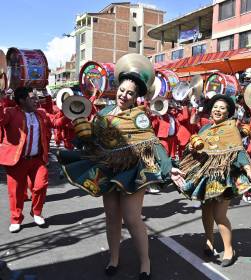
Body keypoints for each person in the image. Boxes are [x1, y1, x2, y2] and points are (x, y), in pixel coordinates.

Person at [58, 54, 183, 280]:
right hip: (109, 169)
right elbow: (93, 142)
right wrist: (81, 133)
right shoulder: (104, 114)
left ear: (136, 97)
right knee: (111, 217)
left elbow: (152, 143)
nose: (124, 95)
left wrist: (169, 167)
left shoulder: (139, 117)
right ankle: (113, 258)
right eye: (122, 90)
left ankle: (145, 262)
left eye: (130, 93)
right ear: (117, 89)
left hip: (133, 171)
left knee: (132, 218)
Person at [177, 94, 251, 267]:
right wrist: (191, 148)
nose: (217, 110)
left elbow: (238, 151)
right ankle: (209, 241)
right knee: (206, 211)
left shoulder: (231, 128)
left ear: (228, 113)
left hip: (224, 177)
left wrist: (248, 168)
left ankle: (229, 249)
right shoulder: (204, 130)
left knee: (219, 215)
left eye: (222, 108)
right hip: (205, 176)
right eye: (215, 107)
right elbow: (195, 151)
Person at [0, 87, 68, 233]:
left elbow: (56, 122)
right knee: (16, 192)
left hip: (38, 160)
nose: (37, 100)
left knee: (41, 186)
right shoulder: (10, 113)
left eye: (37, 97)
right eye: (33, 97)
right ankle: (16, 219)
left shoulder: (41, 113)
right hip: (16, 160)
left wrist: (69, 112)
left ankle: (36, 213)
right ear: (22, 100)